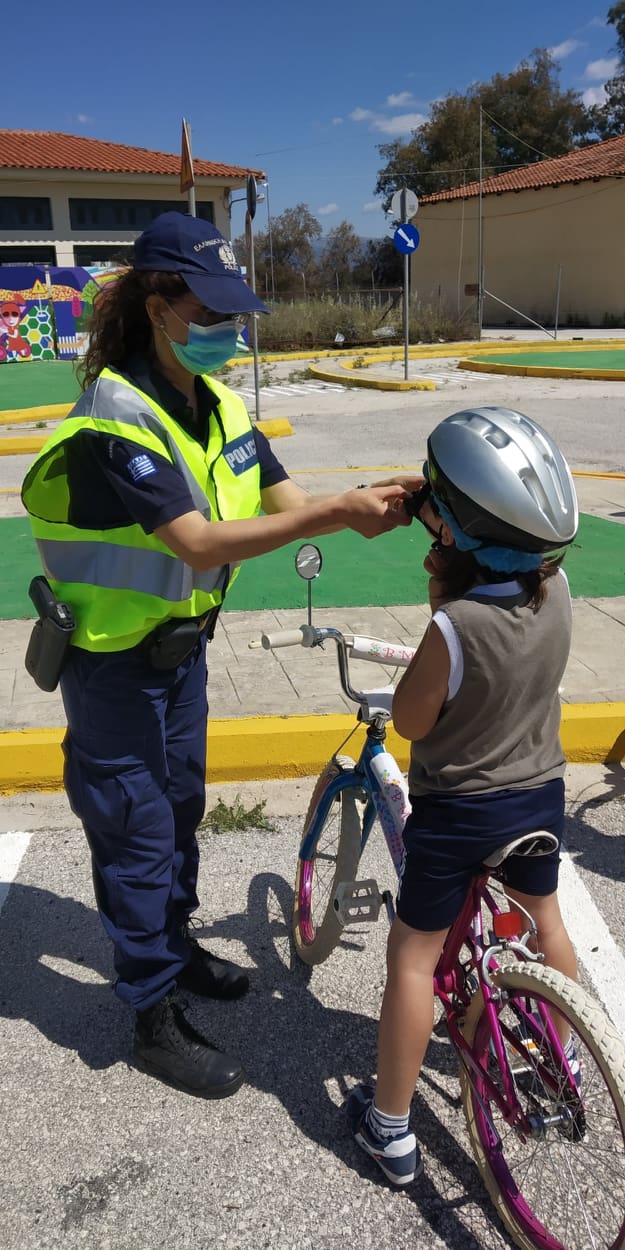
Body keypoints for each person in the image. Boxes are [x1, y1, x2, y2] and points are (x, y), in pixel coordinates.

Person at [21, 211, 410, 1101]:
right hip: (114, 664)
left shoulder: (222, 405)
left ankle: (177, 945)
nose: (227, 333)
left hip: (181, 656)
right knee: (135, 830)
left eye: (234, 314)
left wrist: (386, 498)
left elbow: (289, 498)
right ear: (158, 307)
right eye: (210, 313)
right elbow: (198, 542)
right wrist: (334, 513)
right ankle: (150, 1016)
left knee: (182, 810)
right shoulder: (116, 419)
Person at [346, 406, 580, 1186]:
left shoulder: (456, 625)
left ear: (453, 535)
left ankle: (389, 1129)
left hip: (458, 810)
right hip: (538, 794)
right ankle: (566, 1051)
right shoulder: (560, 592)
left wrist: (440, 613)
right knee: (544, 915)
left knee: (411, 959)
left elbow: (412, 720)